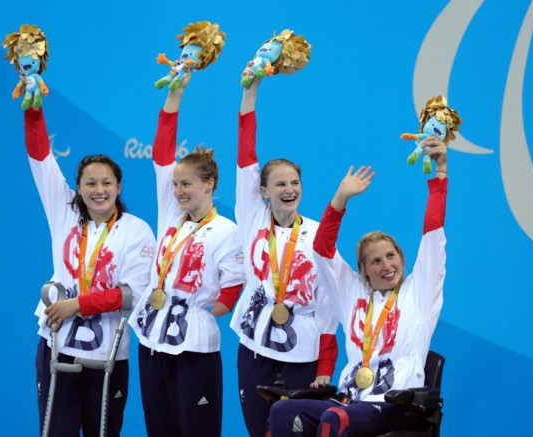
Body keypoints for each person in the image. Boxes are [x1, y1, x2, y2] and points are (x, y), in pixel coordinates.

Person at [267, 137, 450, 436]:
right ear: (363, 270)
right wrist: (340, 198)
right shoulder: (352, 292)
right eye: (375, 261)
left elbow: (433, 233)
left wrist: (440, 171)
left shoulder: (420, 292)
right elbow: (323, 248)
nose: (386, 265)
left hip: (397, 407)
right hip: (351, 401)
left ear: (402, 259)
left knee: (336, 419)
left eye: (391, 256)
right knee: (284, 410)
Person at [24, 104, 156, 437]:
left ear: (119, 187)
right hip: (57, 344)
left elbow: (132, 295)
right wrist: (34, 106)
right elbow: (40, 158)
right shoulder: (63, 212)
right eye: (91, 183)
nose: (99, 190)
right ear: (79, 188)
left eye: (107, 183)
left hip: (108, 353)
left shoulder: (137, 230)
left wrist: (77, 305)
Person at [127, 68, 246, 437]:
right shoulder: (171, 215)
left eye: (187, 184)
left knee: (196, 430)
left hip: (193, 346)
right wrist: (174, 96)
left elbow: (234, 286)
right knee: (159, 429)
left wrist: (207, 309)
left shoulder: (228, 231)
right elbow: (161, 154)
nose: (178, 190)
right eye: (176, 184)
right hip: (150, 339)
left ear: (209, 185)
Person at [229, 72, 339, 437]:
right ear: (263, 191)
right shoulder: (252, 218)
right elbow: (245, 157)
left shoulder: (317, 236)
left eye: (295, 183)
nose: (289, 189)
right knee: (257, 430)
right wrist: (250, 92)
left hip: (302, 355)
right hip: (255, 346)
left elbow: (329, 305)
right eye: (280, 183)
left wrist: (326, 363)